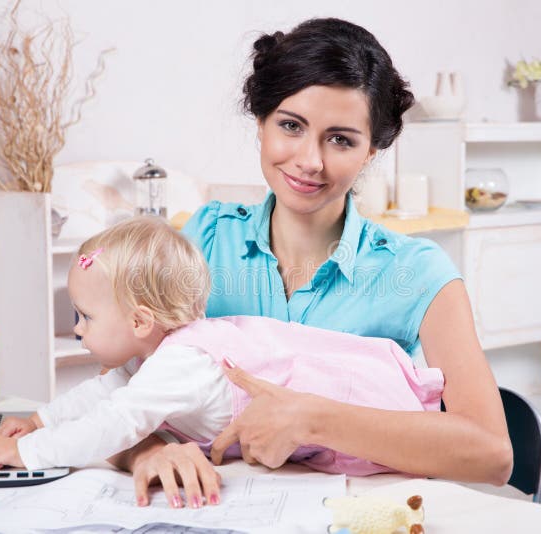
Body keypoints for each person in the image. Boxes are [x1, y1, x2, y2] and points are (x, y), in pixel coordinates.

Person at [115, 17, 513, 508]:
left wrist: (312, 418)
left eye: (341, 139)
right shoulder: (203, 242)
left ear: (372, 150)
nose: (310, 161)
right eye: (290, 126)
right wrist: (146, 449)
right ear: (260, 123)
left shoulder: (420, 273)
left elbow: (492, 453)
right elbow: (123, 389)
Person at [0, 216, 447, 507]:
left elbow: (115, 421)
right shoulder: (153, 355)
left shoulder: (180, 362)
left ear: (140, 321)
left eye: (87, 317)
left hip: (358, 415)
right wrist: (40, 420)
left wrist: (28, 454)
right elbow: (101, 393)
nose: (78, 330)